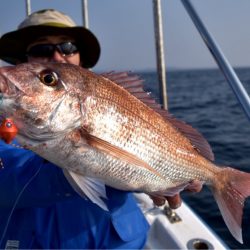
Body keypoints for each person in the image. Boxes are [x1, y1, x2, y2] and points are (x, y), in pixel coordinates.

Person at [0, 9, 201, 249]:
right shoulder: (6, 116)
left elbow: (144, 153)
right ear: (24, 62)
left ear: (80, 59)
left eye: (67, 47)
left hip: (115, 242)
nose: (56, 55)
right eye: (40, 50)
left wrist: (167, 169)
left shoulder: (112, 101)